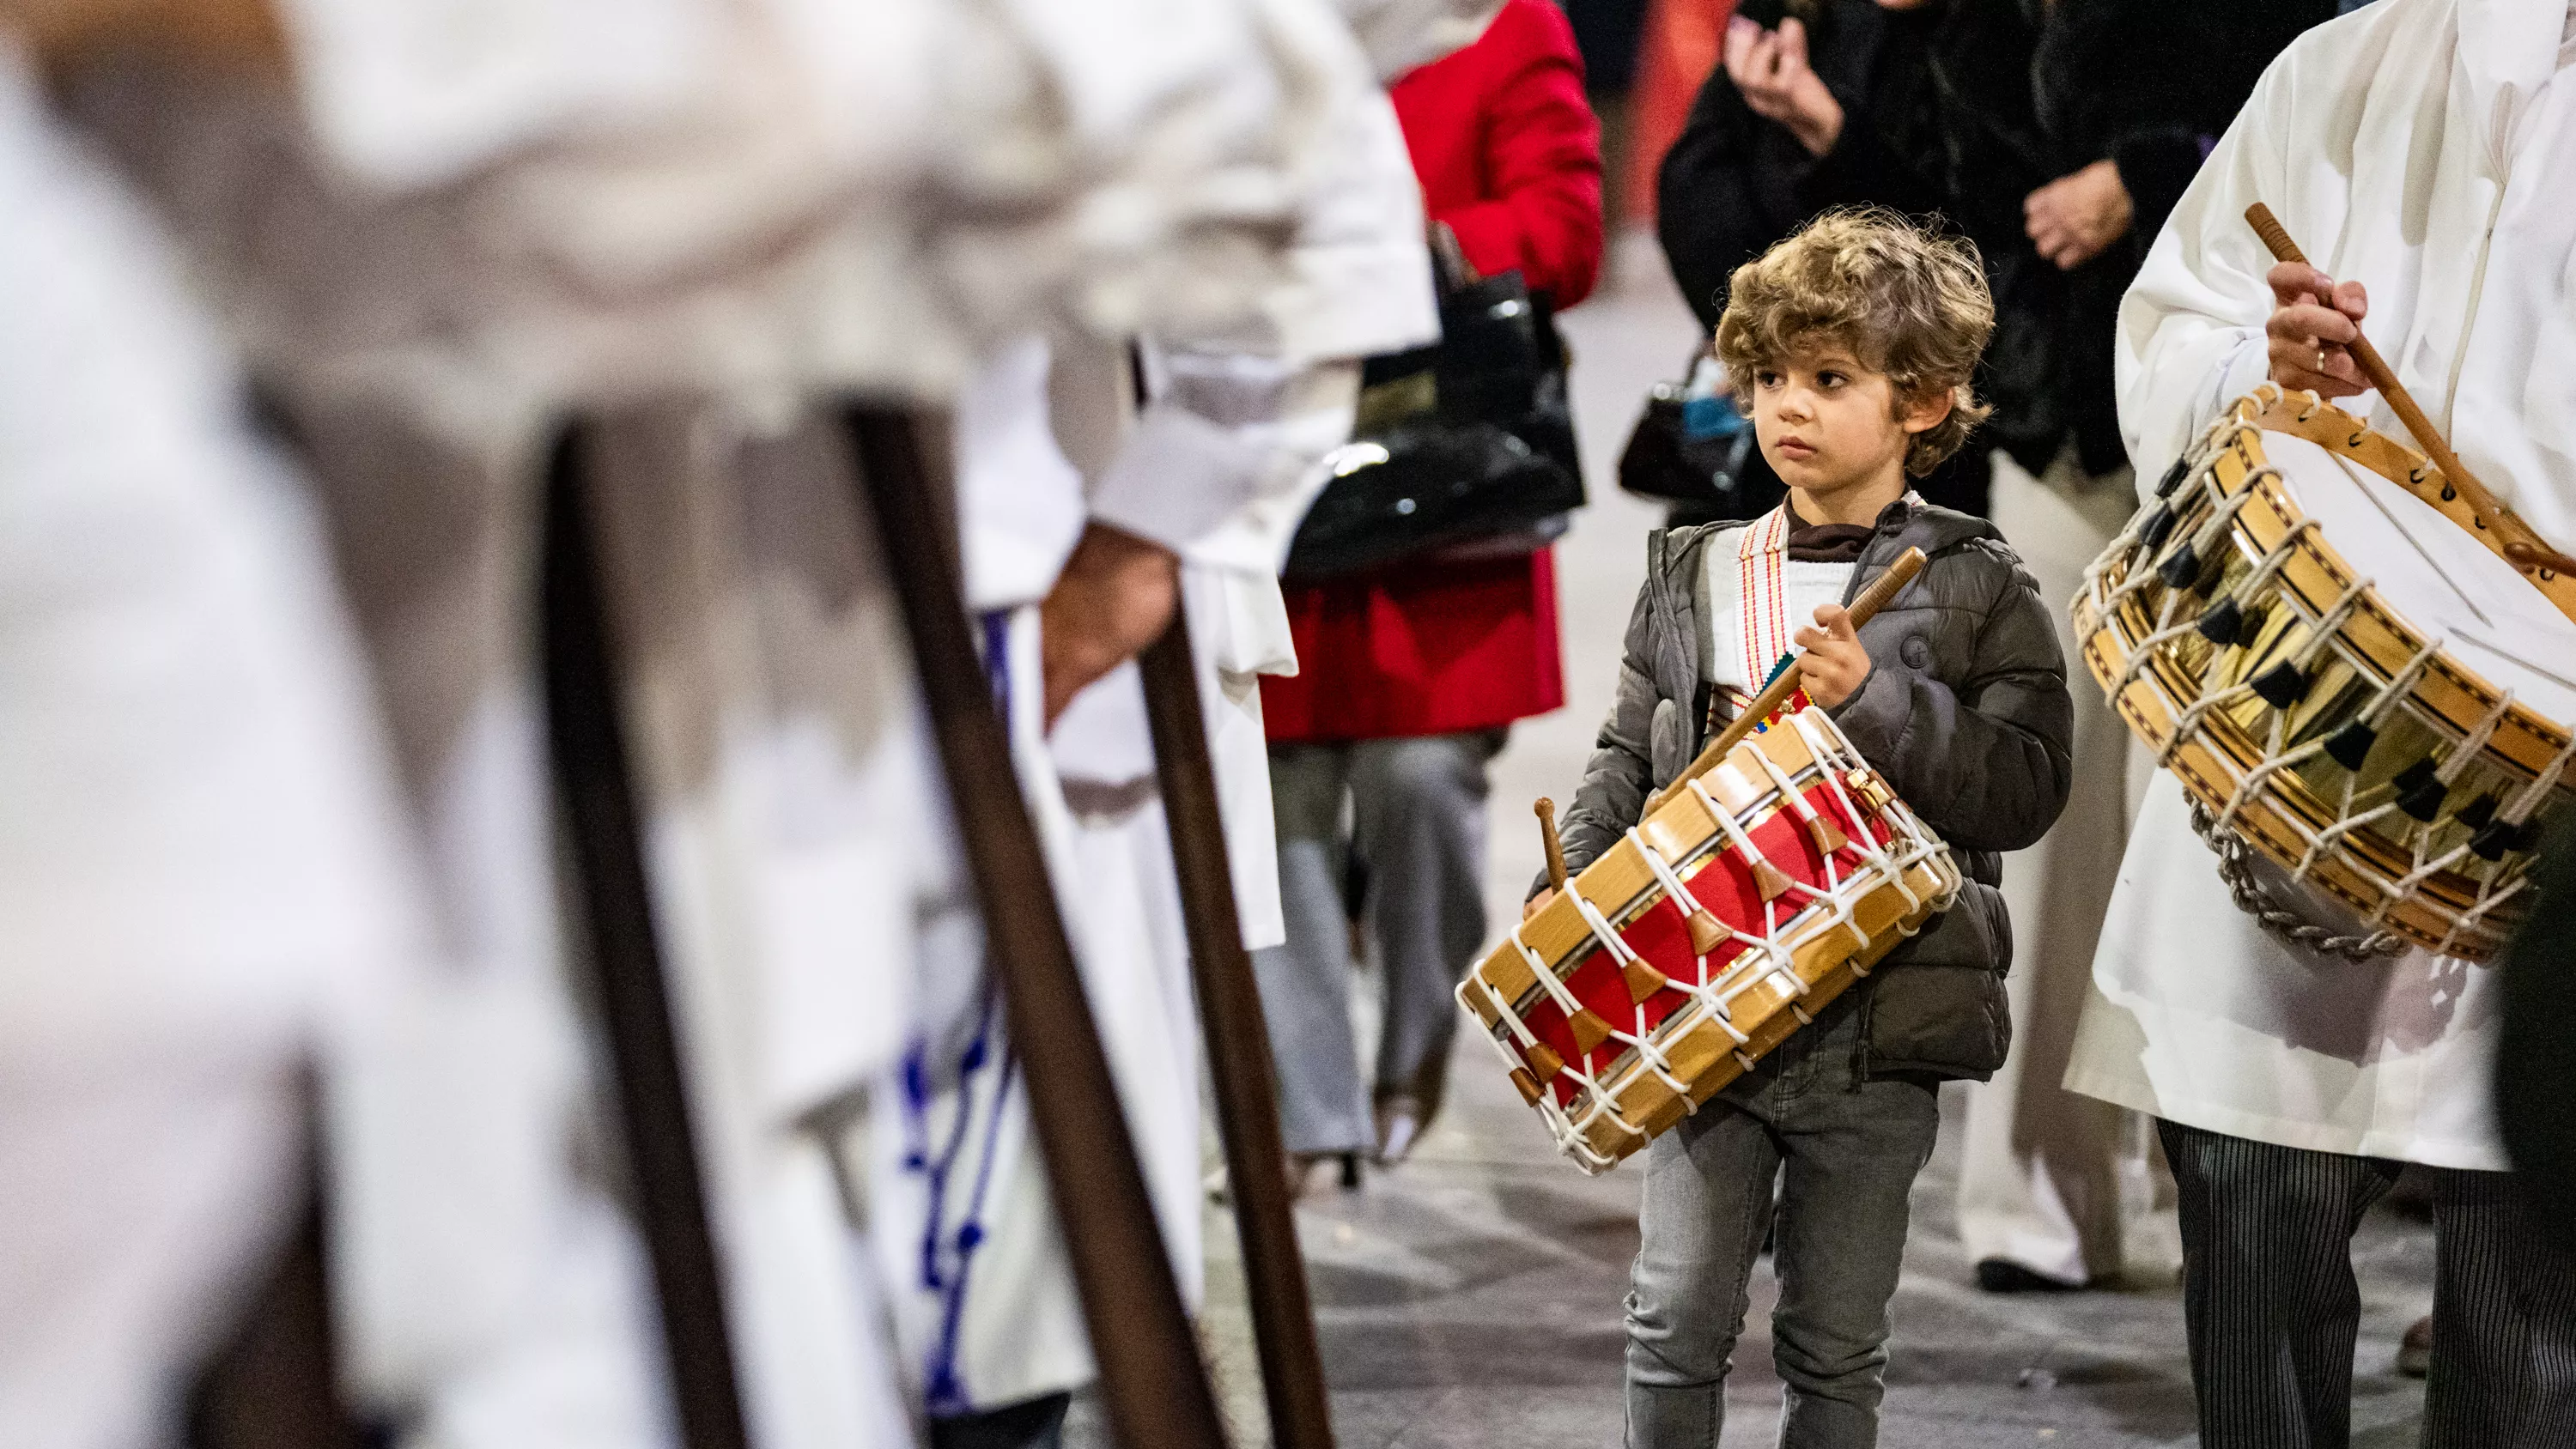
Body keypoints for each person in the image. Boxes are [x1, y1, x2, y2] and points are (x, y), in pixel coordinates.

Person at [2066, 0, 2576, 1442]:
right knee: (2250, 1226)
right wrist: (2266, 367)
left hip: (2552, 817)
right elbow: (2176, 326)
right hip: (2296, 752)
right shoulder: (2345, 62)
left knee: (2530, 1314)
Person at [1534, 210, 2073, 1447]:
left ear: (1925, 402)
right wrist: (1577, 881)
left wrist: (1876, 700)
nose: (1788, 406)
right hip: (1702, 1004)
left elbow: (2026, 789)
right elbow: (1630, 751)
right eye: (1769, 376)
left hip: (1879, 1026)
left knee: (1836, 1344)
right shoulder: (1698, 569)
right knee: (1672, 1317)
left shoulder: (1977, 583)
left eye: (1830, 379)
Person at [1255, 0, 1603, 1175]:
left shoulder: (1504, 25)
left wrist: (1402, 250)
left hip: (1442, 495)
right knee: (1276, 790)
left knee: (1417, 779)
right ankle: (1310, 1115)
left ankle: (1410, 1059)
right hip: (1276, 470)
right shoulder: (1252, 28)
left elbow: (1568, 232)